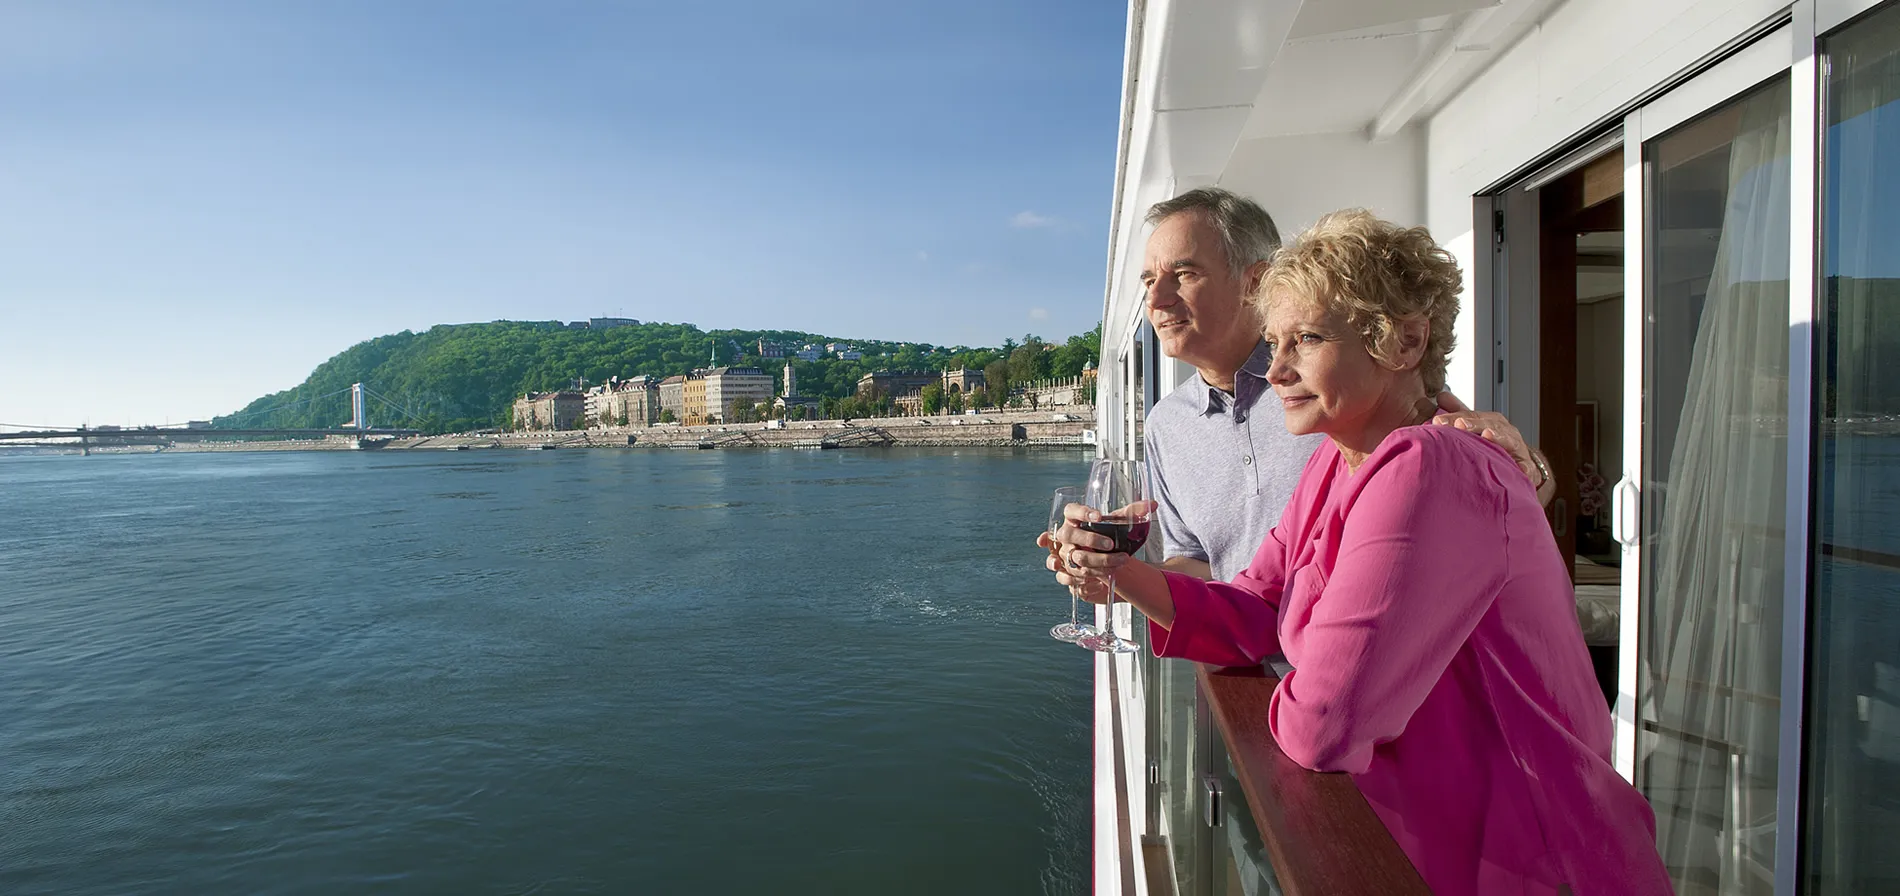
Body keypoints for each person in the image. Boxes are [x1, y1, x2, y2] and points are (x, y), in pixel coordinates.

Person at [1052, 210, 1672, 895]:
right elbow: (1254, 603)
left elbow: (1323, 725)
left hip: (1528, 858)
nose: (1277, 370)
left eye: (1307, 340)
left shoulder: (1430, 466)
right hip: (1427, 843)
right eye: (1275, 342)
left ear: (1404, 341)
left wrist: (1290, 687)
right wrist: (1120, 572)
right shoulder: (1337, 459)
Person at [1042, 188, 1552, 592]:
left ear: (1256, 282)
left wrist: (1531, 467)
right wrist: (1116, 575)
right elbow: (1199, 565)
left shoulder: (1337, 389)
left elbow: (1492, 481)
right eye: (1148, 280)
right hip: (1244, 667)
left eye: (1184, 273)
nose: (1155, 298)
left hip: (1365, 667)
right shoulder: (1166, 425)